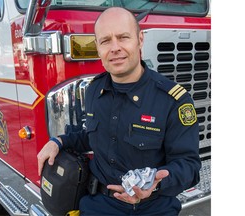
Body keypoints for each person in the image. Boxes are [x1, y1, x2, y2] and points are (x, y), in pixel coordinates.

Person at [37, 7, 201, 216]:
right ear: (98, 47)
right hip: (98, 205)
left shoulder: (172, 100)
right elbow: (93, 136)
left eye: (123, 37)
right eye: (105, 41)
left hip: (152, 209)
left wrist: (157, 184)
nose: (115, 48)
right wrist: (58, 141)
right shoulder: (95, 89)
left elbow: (189, 166)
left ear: (139, 40)